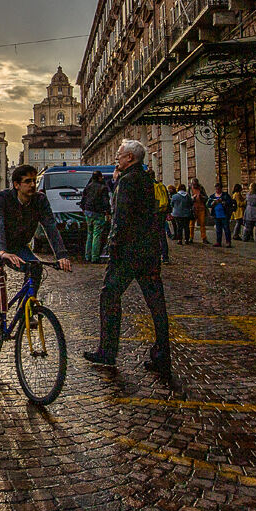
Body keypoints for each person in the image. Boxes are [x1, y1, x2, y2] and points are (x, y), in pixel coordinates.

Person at [84, 139, 171, 375]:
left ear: (130, 158)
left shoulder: (127, 181)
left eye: (120, 155)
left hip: (127, 254)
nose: (117, 158)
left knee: (109, 297)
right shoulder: (147, 179)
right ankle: (163, 354)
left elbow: (120, 220)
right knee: (156, 305)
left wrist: (112, 247)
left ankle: (107, 351)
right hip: (149, 252)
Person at [0, 165, 72, 351]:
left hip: (18, 248)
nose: (33, 185)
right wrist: (2, 251)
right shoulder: (2, 199)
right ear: (17, 184)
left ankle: (25, 311)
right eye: (28, 181)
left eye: (34, 181)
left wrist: (62, 255)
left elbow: (50, 226)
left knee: (35, 267)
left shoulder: (40, 201)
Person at [80, 170, 111, 262]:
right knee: (97, 234)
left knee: (89, 234)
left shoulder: (88, 186)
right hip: (98, 212)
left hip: (88, 212)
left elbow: (83, 199)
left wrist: (83, 208)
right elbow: (105, 202)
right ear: (99, 177)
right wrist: (108, 212)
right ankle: (95, 257)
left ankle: (87, 256)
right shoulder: (103, 187)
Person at [149, 169, 171, 263]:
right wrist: (167, 212)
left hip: (153, 212)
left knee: (152, 235)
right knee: (162, 234)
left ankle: (155, 256)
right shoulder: (161, 186)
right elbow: (167, 199)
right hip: (162, 212)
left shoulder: (148, 186)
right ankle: (165, 256)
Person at [208, 182, 235, 247]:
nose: (218, 190)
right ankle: (218, 241)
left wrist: (222, 202)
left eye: (219, 189)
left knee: (226, 229)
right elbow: (208, 204)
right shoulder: (212, 196)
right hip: (216, 215)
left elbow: (230, 203)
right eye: (216, 189)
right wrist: (213, 203)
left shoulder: (225, 195)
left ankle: (228, 242)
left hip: (224, 214)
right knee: (218, 229)